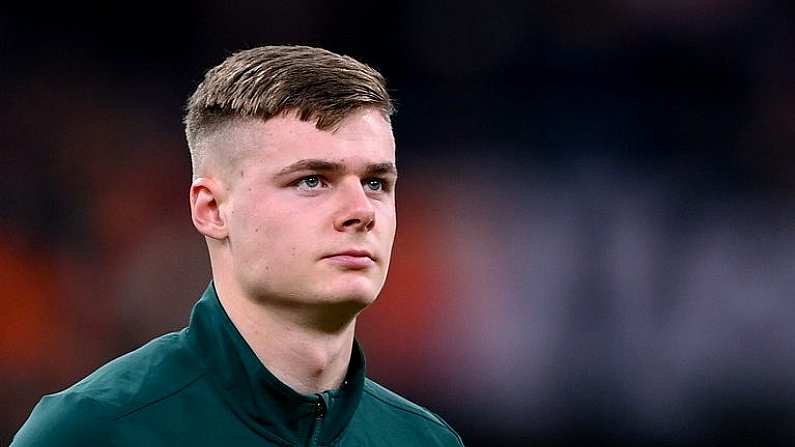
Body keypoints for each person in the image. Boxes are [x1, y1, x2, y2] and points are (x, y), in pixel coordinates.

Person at [12, 45, 464, 446]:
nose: (361, 210)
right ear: (211, 209)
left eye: (375, 182)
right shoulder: (94, 431)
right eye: (311, 180)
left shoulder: (425, 438)